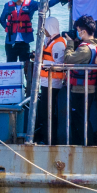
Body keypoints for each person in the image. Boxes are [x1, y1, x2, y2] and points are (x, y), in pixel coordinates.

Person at [0, 0, 61, 64]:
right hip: (10, 42)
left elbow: (45, 5)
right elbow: (2, 19)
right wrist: (9, 28)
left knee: (26, 66)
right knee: (11, 66)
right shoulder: (8, 5)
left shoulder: (30, 4)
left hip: (24, 42)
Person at [65, 14, 97, 145]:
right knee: (83, 118)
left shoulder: (84, 48)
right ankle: (86, 145)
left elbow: (68, 59)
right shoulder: (95, 45)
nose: (77, 32)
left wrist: (70, 43)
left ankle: (86, 146)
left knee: (80, 120)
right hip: (88, 88)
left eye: (78, 30)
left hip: (81, 90)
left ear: (84, 31)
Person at [34, 16, 67, 144]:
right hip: (45, 82)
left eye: (45, 28)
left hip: (53, 83)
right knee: (44, 111)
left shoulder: (58, 44)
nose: (44, 31)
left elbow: (59, 63)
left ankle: (50, 139)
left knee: (48, 112)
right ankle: (44, 136)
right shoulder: (49, 41)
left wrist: (41, 62)